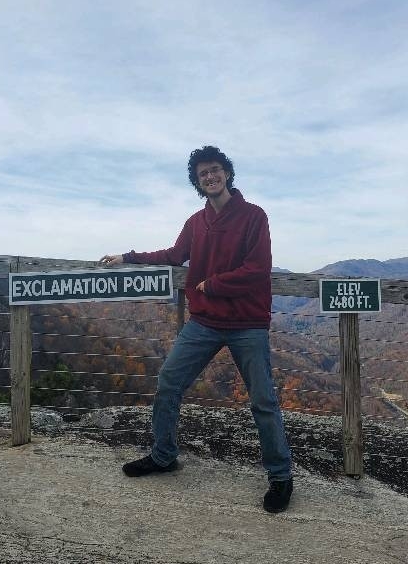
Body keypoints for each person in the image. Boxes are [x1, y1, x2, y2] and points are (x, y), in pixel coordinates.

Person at [100, 145, 293, 513]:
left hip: (247, 323)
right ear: (197, 181)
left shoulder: (254, 216)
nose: (210, 176)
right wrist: (127, 256)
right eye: (203, 173)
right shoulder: (196, 222)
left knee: (263, 401)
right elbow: (173, 256)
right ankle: (163, 456)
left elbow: (258, 269)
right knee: (169, 382)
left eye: (215, 169)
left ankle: (281, 476)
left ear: (227, 173)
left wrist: (212, 285)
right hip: (204, 322)